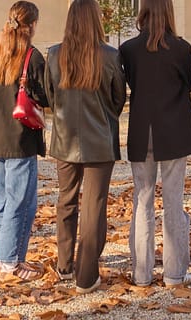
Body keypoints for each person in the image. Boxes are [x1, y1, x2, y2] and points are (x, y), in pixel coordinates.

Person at [45, 0, 126, 294]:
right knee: (94, 207)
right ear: (96, 20)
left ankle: (65, 266)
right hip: (99, 140)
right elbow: (119, 98)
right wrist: (104, 119)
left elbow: (51, 99)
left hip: (66, 139)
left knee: (66, 201)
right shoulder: (109, 55)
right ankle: (86, 275)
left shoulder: (55, 54)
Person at [118, 0, 191, 287]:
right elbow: (187, 85)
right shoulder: (181, 48)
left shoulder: (128, 50)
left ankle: (142, 273)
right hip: (174, 130)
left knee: (143, 201)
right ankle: (175, 274)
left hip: (142, 131)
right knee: (173, 202)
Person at [0, 0, 48, 281]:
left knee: (0, 198)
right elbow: (45, 97)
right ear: (31, 26)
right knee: (21, 202)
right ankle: (10, 262)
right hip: (20, 139)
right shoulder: (32, 57)